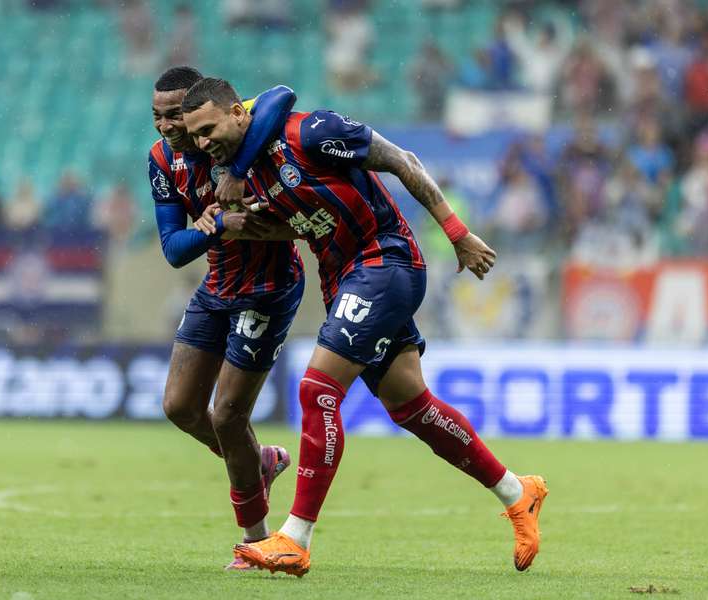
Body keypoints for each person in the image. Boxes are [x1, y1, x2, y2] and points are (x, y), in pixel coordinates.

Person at [182, 78, 547, 577]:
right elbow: (308, 218)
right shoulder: (248, 175)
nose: (203, 143)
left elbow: (405, 161)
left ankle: (294, 538)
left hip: (385, 261)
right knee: (410, 405)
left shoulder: (311, 133)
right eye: (195, 137)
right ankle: (517, 491)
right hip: (342, 279)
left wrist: (457, 233)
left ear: (238, 113)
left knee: (316, 390)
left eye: (209, 129)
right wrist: (252, 225)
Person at [148, 66, 305, 570]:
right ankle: (260, 462)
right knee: (179, 408)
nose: (168, 127)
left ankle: (255, 541)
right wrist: (218, 229)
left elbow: (281, 93)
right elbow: (174, 250)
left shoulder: (237, 136)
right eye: (157, 116)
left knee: (228, 417)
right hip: (217, 286)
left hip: (267, 289)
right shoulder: (160, 161)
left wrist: (237, 175)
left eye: (176, 115)